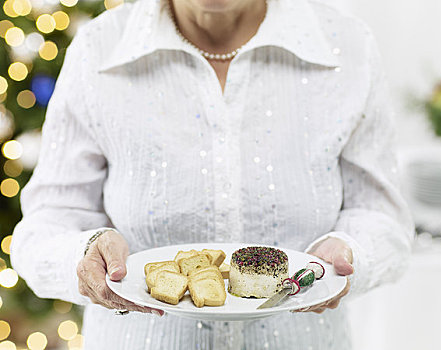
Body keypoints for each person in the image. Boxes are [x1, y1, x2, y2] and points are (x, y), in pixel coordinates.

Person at [10, 0, 414, 348]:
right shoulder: (98, 50)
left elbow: (381, 214)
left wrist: (349, 252)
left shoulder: (347, 47)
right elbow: (49, 220)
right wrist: (84, 255)